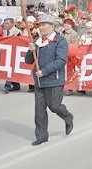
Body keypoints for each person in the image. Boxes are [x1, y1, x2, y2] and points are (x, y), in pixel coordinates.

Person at [25, 14, 74, 146]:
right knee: (39, 111)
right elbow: (28, 61)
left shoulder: (60, 41)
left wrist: (45, 71)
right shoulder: (37, 41)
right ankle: (41, 136)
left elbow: (61, 61)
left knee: (54, 106)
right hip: (39, 81)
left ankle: (68, 116)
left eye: (44, 25)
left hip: (54, 79)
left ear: (52, 26)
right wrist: (31, 51)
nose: (41, 27)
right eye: (40, 25)